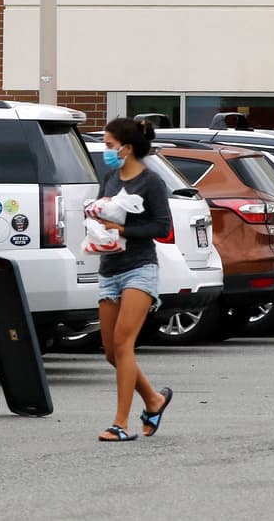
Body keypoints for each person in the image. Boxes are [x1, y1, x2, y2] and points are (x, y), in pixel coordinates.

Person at [90, 117, 174, 441]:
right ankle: (153, 400)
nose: (106, 151)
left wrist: (124, 230)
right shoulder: (110, 178)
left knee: (125, 344)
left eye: (110, 146)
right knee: (111, 351)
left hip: (140, 268)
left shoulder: (151, 182)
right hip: (109, 268)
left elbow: (162, 227)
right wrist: (96, 226)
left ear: (127, 147)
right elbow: (102, 213)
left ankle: (120, 424)